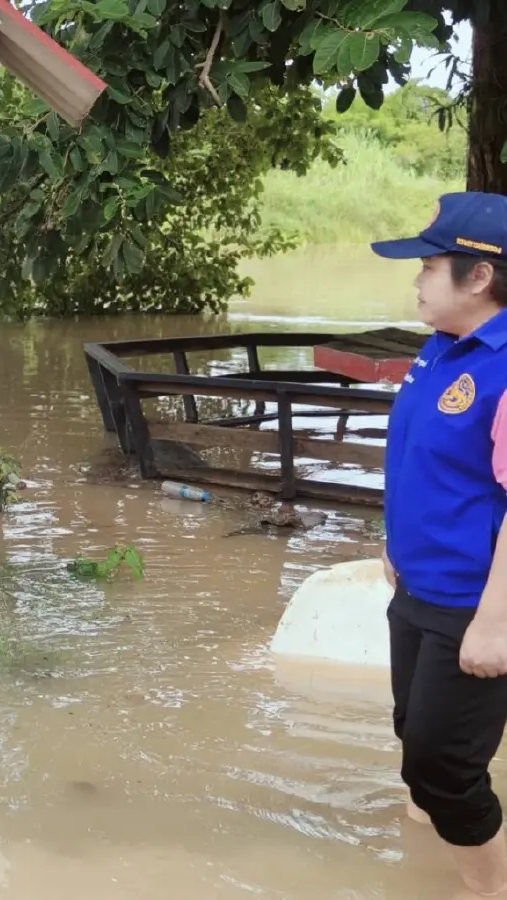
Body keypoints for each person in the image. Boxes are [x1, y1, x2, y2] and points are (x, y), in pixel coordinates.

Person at [375, 191, 507, 896]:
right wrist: (390, 538)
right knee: (412, 733)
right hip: (419, 587)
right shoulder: (441, 348)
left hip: (475, 602)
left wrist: (495, 623)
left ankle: (488, 888)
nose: (417, 279)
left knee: (445, 768)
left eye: (429, 266)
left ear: (478, 277)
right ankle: (418, 861)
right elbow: (418, 456)